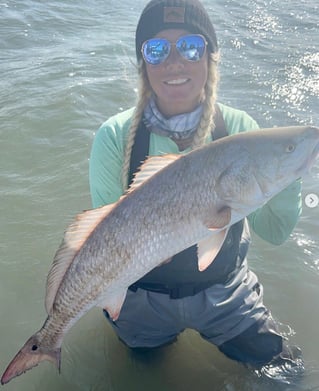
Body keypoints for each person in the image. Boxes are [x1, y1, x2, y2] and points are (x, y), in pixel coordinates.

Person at [89, 0, 304, 382]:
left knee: (286, 374)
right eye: (156, 50)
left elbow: (276, 231)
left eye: (191, 46)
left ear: (210, 58)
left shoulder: (240, 128)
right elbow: (107, 242)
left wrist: (293, 167)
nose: (174, 62)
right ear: (144, 65)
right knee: (139, 376)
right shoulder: (116, 136)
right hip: (144, 298)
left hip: (225, 295)